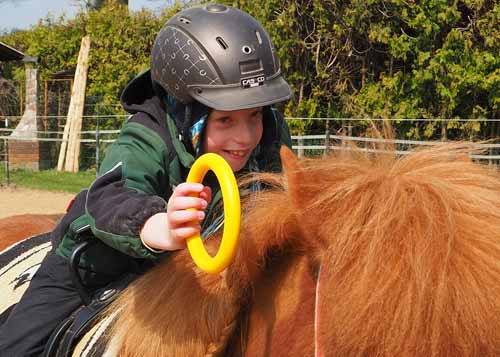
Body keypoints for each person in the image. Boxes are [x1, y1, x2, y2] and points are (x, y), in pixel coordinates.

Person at [0, 3, 293, 356]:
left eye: (254, 115)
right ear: (189, 114)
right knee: (17, 345)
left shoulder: (271, 135)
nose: (245, 136)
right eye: (226, 121)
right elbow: (111, 195)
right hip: (98, 262)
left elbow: (285, 193)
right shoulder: (148, 136)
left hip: (201, 269)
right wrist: (159, 226)